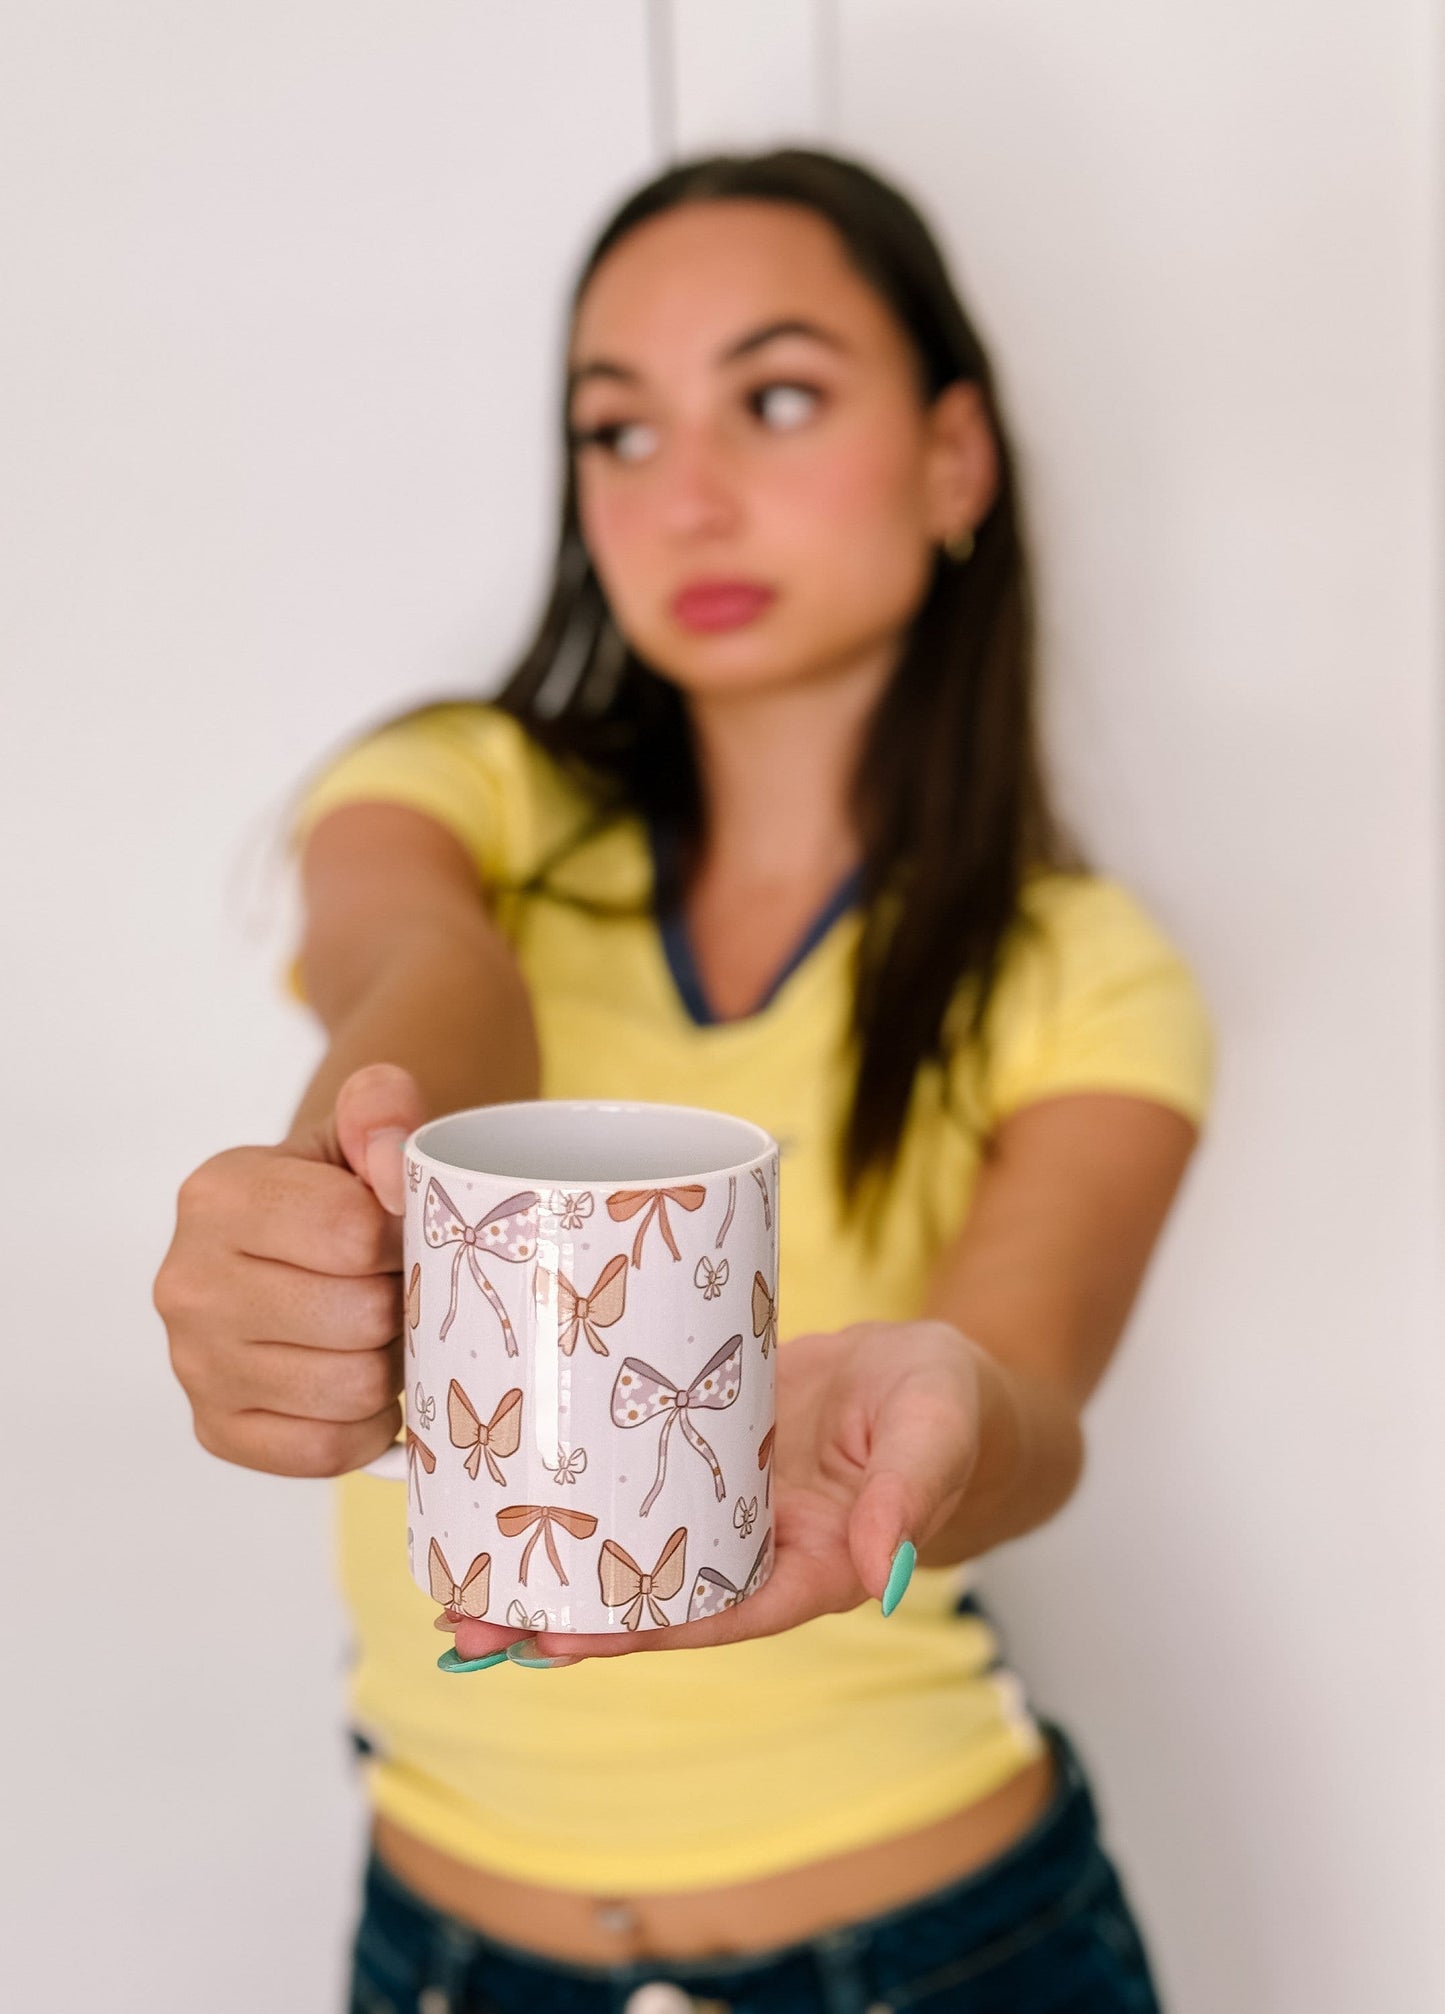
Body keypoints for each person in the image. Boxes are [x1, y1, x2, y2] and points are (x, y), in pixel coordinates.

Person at [155, 147, 1214, 2013]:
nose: (687, 496)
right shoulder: (463, 791)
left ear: (954, 458)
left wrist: (951, 1405)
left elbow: (1033, 1399)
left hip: (957, 1949)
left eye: (778, 396)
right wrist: (351, 1172)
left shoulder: (1081, 970)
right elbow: (427, 970)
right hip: (445, 1953)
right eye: (617, 432)